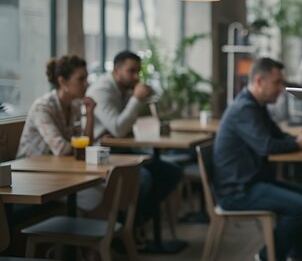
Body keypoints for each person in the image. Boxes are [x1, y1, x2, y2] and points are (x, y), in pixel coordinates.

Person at [213, 57, 302, 261]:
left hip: (253, 182)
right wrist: (298, 144)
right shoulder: (244, 108)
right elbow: (266, 146)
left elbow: (277, 136)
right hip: (237, 192)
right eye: (277, 82)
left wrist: (298, 139)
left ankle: (295, 257)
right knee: (300, 206)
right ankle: (266, 256)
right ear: (260, 81)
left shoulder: (255, 105)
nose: (282, 89)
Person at [87, 51, 182, 225]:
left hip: (121, 150)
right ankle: (125, 228)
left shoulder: (124, 89)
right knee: (144, 178)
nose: (136, 77)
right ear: (116, 70)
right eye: (131, 71)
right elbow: (119, 129)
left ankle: (135, 225)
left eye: (138, 72)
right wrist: (136, 99)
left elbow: (124, 129)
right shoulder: (101, 91)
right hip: (101, 154)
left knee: (172, 172)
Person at [17, 55, 96, 158]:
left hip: (56, 166)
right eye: (81, 79)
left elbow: (85, 146)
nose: (86, 84)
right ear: (62, 82)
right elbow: (61, 149)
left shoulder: (75, 105)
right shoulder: (42, 107)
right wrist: (80, 148)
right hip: (28, 169)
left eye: (86, 78)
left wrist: (90, 116)